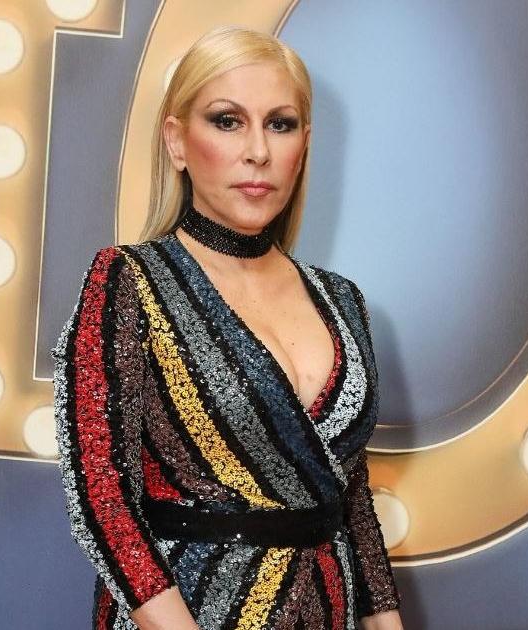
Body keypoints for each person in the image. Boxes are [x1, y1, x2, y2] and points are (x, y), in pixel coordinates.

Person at [52, 24, 403, 630]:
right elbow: (102, 502)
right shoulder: (129, 282)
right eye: (227, 121)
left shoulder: (343, 301)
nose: (258, 151)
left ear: (304, 145)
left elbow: (352, 505)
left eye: (280, 124)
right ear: (177, 141)